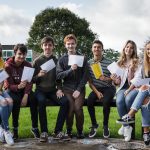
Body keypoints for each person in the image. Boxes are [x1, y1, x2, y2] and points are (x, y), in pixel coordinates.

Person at [33, 36, 69, 142]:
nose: (47, 47)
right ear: (42, 46)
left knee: (65, 102)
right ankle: (44, 132)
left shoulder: (56, 60)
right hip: (40, 90)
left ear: (53, 47)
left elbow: (59, 78)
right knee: (41, 101)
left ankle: (57, 131)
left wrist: (59, 89)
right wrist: (38, 75)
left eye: (50, 45)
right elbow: (31, 80)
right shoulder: (37, 61)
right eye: (45, 45)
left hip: (53, 90)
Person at [116, 41, 150, 145]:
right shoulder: (145, 64)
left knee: (143, 89)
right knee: (144, 101)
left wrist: (146, 86)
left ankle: (129, 116)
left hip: (144, 88)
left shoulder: (138, 62)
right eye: (148, 49)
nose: (149, 51)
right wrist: (128, 88)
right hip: (142, 89)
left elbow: (139, 81)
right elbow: (138, 79)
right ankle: (146, 133)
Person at [4, 44, 39, 140]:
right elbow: (7, 85)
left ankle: (35, 127)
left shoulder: (28, 65)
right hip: (12, 90)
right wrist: (18, 86)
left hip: (24, 91)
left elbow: (29, 81)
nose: (22, 56)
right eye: (19, 54)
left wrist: (26, 95)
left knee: (34, 98)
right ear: (14, 53)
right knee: (15, 100)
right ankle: (15, 130)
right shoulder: (7, 66)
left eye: (24, 54)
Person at [56, 34, 88, 139]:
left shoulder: (82, 58)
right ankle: (69, 131)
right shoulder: (62, 59)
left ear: (76, 44)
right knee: (70, 109)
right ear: (65, 45)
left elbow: (85, 76)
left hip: (79, 89)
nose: (70, 46)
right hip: (67, 89)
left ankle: (80, 131)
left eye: (72, 44)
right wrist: (70, 70)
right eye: (68, 44)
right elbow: (58, 76)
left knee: (78, 109)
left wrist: (79, 89)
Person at [111, 40, 139, 141]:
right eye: (127, 47)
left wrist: (131, 70)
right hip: (123, 87)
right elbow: (117, 83)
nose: (129, 49)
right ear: (124, 48)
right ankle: (127, 127)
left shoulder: (137, 62)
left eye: (131, 48)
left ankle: (124, 126)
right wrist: (115, 80)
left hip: (134, 87)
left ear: (134, 50)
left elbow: (136, 80)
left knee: (128, 100)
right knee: (119, 101)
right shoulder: (119, 63)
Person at [87, 40, 116, 138]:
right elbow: (90, 82)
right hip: (96, 88)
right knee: (89, 101)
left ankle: (105, 126)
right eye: (95, 47)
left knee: (106, 102)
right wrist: (97, 92)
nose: (96, 49)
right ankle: (94, 124)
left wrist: (107, 78)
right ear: (92, 49)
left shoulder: (110, 62)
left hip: (109, 88)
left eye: (99, 47)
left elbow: (115, 80)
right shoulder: (89, 63)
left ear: (102, 50)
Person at [0, 43, 14, 145]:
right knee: (4, 102)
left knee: (10, 101)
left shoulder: (0, 61)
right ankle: (6, 130)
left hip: (0, 90)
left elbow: (2, 78)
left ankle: (1, 127)